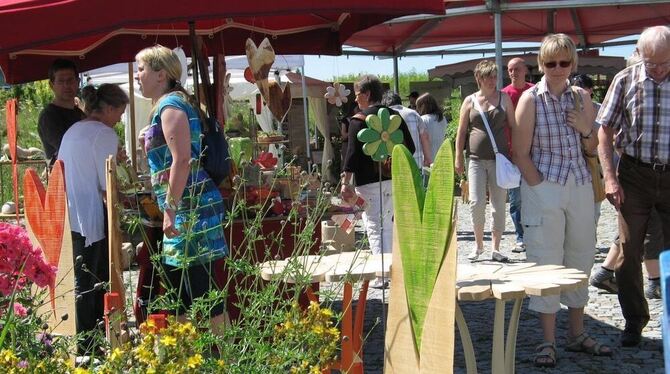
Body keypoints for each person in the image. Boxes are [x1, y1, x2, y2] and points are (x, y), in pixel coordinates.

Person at [514, 34, 612, 367]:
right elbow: (520, 152)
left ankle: (576, 332)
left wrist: (587, 129)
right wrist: (541, 188)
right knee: (546, 259)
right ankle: (547, 340)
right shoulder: (530, 99)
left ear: (573, 63)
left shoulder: (582, 97)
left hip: (581, 184)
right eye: (551, 62)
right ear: (541, 64)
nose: (558, 69)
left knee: (581, 256)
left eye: (564, 62)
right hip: (546, 185)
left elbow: (592, 149)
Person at [135, 45, 228, 329]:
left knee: (202, 291)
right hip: (186, 207)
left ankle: (227, 358)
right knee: (180, 292)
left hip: (191, 208)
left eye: (142, 69)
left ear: (160, 74)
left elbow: (183, 160)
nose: (138, 76)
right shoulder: (168, 105)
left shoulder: (170, 106)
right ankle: (188, 357)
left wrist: (170, 210)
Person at [597, 25, 670, 347]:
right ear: (640, 55)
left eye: (665, 63)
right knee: (628, 251)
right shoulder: (625, 80)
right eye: (652, 63)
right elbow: (604, 132)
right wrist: (610, 178)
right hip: (635, 174)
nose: (658, 70)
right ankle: (634, 320)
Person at [58, 84, 128, 355]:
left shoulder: (74, 130)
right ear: (108, 109)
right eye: (119, 113)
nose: (120, 119)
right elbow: (107, 183)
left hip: (69, 213)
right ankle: (90, 345)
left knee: (80, 281)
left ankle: (82, 342)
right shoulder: (103, 133)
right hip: (89, 216)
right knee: (92, 282)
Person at [341, 75, 415, 269]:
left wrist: (344, 183)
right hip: (393, 180)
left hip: (367, 183)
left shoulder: (358, 121)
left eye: (357, 95)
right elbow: (411, 148)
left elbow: (352, 156)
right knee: (390, 223)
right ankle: (391, 267)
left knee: (374, 224)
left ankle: (381, 271)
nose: (355, 100)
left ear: (367, 94)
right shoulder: (395, 117)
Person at [455, 60, 515, 262]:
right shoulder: (469, 101)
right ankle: (478, 245)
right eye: (488, 76)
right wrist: (458, 159)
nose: (492, 80)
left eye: (494, 76)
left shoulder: (504, 98)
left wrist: (516, 154)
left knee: (499, 204)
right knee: (476, 202)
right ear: (478, 79)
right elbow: (461, 132)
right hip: (475, 160)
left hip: (500, 160)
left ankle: (496, 248)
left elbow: (513, 127)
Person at [501, 57, 534, 253]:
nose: (514, 72)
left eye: (517, 69)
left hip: (534, 153)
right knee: (516, 200)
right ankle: (521, 236)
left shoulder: (534, 91)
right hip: (511, 155)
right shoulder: (503, 95)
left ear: (525, 71)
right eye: (510, 69)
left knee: (536, 195)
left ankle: (535, 234)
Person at [38, 59, 85, 165]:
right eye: (61, 81)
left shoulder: (80, 114)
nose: (66, 85)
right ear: (51, 85)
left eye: (70, 80)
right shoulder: (49, 116)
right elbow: (68, 149)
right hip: (62, 178)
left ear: (77, 82)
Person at [382, 91, 433, 168]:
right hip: (416, 163)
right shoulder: (413, 113)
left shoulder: (384, 116)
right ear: (400, 101)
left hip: (394, 166)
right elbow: (424, 137)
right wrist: (428, 159)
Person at [416, 93, 448, 167]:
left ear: (423, 106)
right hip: (441, 157)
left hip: (427, 159)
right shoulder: (442, 118)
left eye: (418, 106)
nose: (417, 109)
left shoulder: (423, 119)